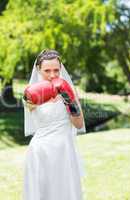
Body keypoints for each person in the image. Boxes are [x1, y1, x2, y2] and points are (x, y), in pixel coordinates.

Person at [22, 49, 86, 200]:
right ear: (38, 70)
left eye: (56, 70)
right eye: (47, 70)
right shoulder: (32, 93)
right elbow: (28, 102)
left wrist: (69, 100)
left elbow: (78, 124)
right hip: (41, 152)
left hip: (64, 150)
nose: (52, 75)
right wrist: (45, 92)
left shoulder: (68, 90)